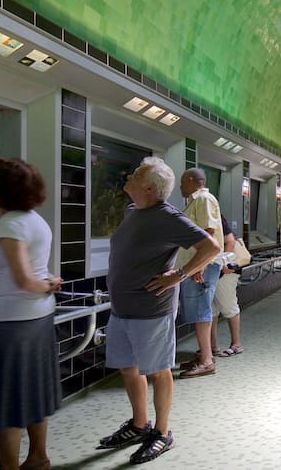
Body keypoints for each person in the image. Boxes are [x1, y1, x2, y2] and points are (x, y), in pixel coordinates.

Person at [98, 157, 219, 464]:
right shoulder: (132, 212)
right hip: (122, 308)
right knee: (129, 367)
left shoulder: (168, 216)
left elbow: (211, 247)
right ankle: (140, 424)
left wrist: (178, 274)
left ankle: (163, 433)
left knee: (157, 370)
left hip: (151, 309)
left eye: (136, 174)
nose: (129, 175)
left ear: (149, 187)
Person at [0, 158, 63, 470]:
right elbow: (35, 273)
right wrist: (49, 283)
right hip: (37, 319)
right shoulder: (35, 220)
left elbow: (24, 280)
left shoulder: (11, 224)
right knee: (33, 391)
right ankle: (38, 456)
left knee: (6, 402)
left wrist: (46, 284)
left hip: (12, 324)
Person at [175, 168, 224, 379]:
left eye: (181, 183)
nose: (179, 187)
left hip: (202, 265)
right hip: (198, 264)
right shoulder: (195, 201)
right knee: (198, 311)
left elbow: (209, 232)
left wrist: (199, 266)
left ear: (191, 180)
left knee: (202, 309)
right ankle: (204, 355)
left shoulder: (204, 199)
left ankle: (206, 360)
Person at [210, 215, 243, 358]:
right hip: (212, 270)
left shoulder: (216, 217)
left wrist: (223, 263)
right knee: (212, 309)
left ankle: (236, 344)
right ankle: (212, 346)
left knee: (228, 306)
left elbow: (230, 240)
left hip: (226, 271)